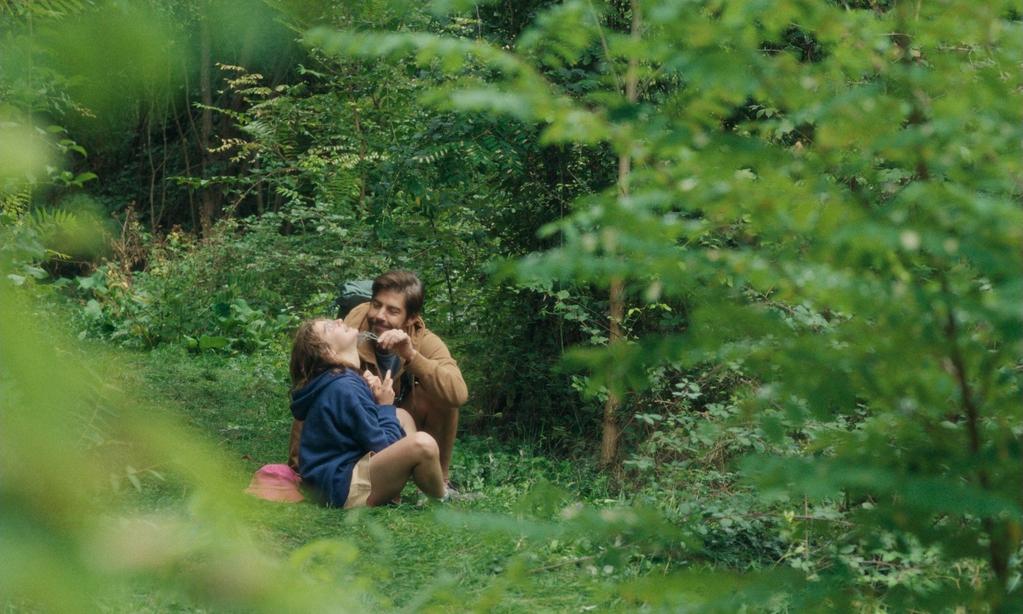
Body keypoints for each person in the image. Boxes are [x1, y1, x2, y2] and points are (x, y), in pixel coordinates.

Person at [289, 271, 468, 483]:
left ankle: (438, 479)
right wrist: (296, 465)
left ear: (411, 318)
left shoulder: (426, 342)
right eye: (376, 304)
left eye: (392, 311)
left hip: (398, 413)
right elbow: (316, 386)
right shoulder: (352, 329)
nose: (379, 316)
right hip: (367, 417)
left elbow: (458, 394)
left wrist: (411, 355)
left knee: (443, 393)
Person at [289, 317, 447, 507]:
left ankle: (402, 490)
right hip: (341, 490)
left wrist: (375, 401)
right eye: (330, 327)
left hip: (330, 482)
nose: (339, 320)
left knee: (402, 416)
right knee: (423, 444)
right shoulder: (344, 387)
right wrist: (384, 405)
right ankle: (442, 500)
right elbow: (383, 447)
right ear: (328, 352)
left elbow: (361, 433)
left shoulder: (336, 381)